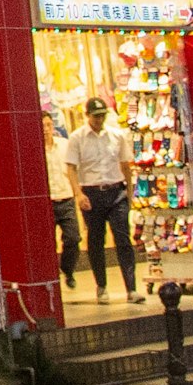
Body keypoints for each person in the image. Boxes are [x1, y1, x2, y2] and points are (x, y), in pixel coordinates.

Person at [65, 98, 135, 298]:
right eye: (96, 116)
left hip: (116, 190)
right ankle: (101, 285)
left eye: (102, 115)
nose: (99, 119)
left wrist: (129, 193)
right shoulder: (77, 138)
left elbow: (125, 165)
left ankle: (131, 287)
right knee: (96, 240)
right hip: (92, 192)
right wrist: (78, 193)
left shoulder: (116, 135)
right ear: (87, 116)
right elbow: (71, 168)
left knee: (123, 238)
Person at [44, 121, 84, 295]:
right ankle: (51, 276)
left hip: (66, 197)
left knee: (73, 237)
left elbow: (73, 169)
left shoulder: (64, 145)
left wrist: (78, 192)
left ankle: (67, 269)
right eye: (42, 126)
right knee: (48, 243)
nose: (45, 129)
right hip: (47, 200)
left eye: (48, 125)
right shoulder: (34, 147)